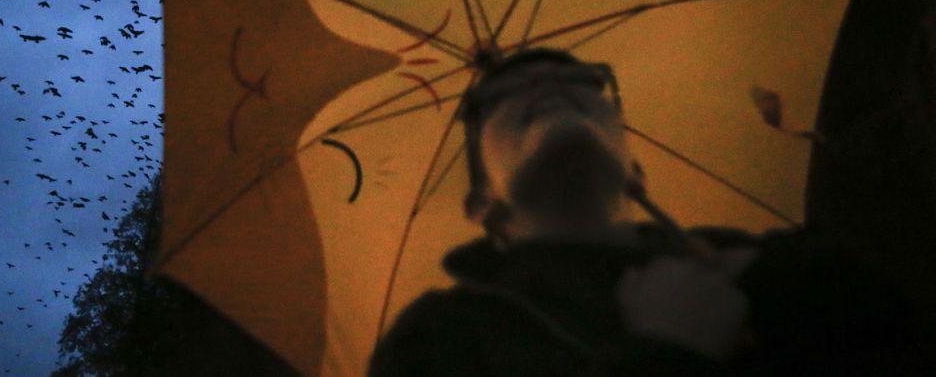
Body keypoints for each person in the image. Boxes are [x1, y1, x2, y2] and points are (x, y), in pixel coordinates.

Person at [368, 48, 921, 376]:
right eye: (503, 92)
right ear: (482, 201)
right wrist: (669, 349)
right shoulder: (442, 339)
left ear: (634, 172)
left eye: (582, 79)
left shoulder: (769, 262)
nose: (545, 82)